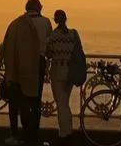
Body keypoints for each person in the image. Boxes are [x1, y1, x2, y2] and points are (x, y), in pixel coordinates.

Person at [0, 0, 53, 146]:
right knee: (35, 101)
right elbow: (50, 45)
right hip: (38, 63)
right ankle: (34, 135)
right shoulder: (45, 22)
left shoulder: (15, 23)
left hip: (18, 65)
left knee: (16, 101)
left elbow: (6, 44)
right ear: (37, 7)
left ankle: (16, 135)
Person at [47, 10, 84, 144]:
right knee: (65, 103)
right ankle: (67, 131)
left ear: (55, 20)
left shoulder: (53, 36)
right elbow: (79, 51)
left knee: (61, 104)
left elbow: (48, 53)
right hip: (70, 72)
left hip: (57, 71)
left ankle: (64, 134)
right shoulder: (74, 34)